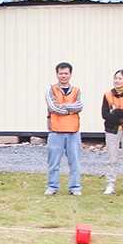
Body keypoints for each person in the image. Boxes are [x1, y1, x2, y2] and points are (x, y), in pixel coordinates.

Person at [45, 62, 84, 195]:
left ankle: (75, 187)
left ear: (70, 74)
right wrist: (70, 109)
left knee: (75, 162)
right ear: (57, 74)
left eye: (66, 73)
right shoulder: (51, 89)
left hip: (73, 131)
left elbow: (79, 106)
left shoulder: (77, 90)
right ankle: (52, 186)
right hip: (55, 131)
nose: (63, 76)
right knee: (53, 162)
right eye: (61, 73)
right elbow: (52, 107)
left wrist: (63, 106)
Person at [100, 69, 123, 196]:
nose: (117, 80)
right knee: (111, 159)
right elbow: (105, 114)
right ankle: (110, 184)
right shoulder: (107, 94)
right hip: (112, 129)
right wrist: (120, 117)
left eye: (120, 78)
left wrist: (115, 112)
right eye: (115, 78)